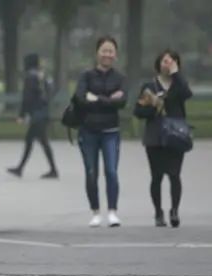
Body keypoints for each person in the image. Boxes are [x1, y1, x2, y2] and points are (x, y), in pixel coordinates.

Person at [133, 49, 192, 227]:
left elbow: (187, 94)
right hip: (155, 137)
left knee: (175, 175)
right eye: (165, 61)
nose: (168, 64)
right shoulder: (149, 86)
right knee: (156, 176)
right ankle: (158, 212)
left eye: (172, 61)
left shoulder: (179, 84)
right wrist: (154, 106)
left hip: (176, 135)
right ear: (158, 64)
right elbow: (138, 111)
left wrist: (177, 74)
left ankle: (174, 210)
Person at [74, 36, 127, 227]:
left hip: (111, 131)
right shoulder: (86, 76)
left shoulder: (119, 77)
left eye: (111, 51)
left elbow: (122, 101)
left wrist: (95, 98)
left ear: (116, 54)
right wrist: (109, 100)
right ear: (97, 53)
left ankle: (112, 211)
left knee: (111, 171)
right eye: (104, 50)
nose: (107, 54)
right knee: (91, 172)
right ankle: (95, 211)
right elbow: (80, 98)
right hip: (88, 131)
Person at [8, 53, 59, 179]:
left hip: (37, 115)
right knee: (34, 141)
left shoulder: (30, 77)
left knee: (37, 142)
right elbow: (51, 91)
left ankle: (51, 170)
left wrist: (22, 115)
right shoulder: (42, 75)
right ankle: (21, 168)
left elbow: (27, 98)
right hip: (43, 113)